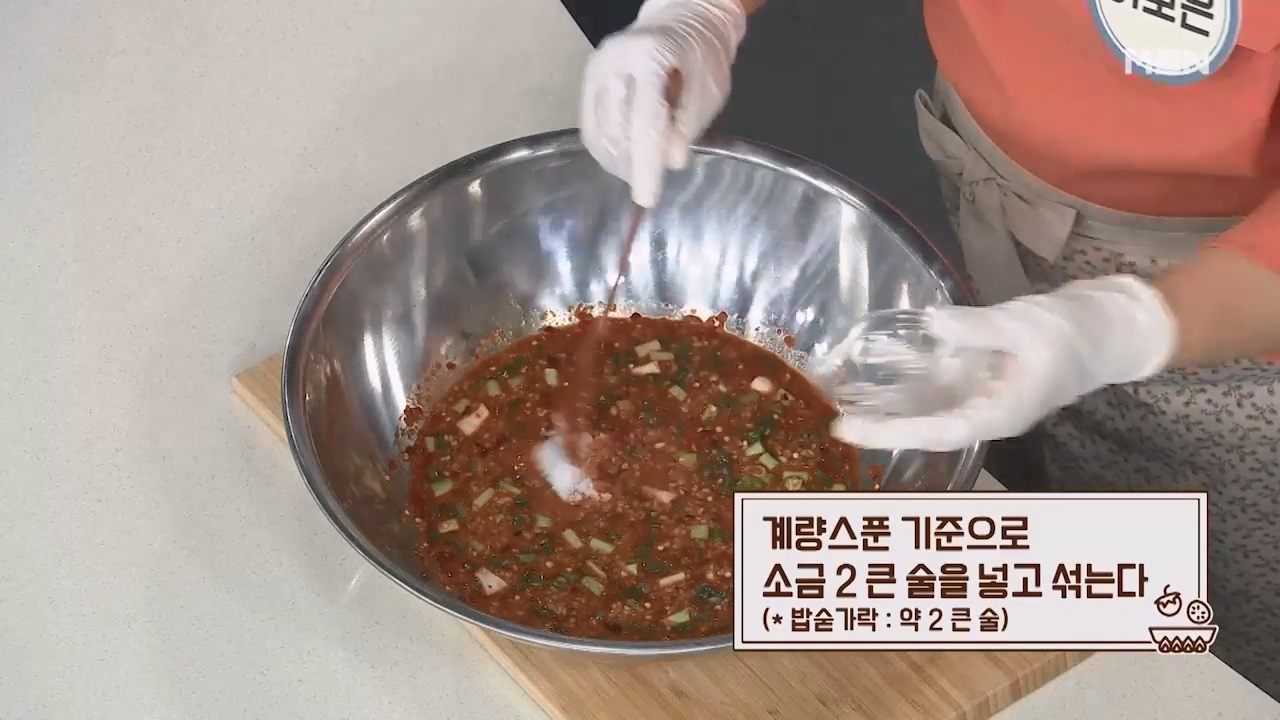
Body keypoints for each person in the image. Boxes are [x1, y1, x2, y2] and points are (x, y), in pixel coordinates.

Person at [577, 0, 1280, 699]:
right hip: (985, 162)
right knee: (1078, 524)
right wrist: (703, 11)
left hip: (1237, 287)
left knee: (1219, 590)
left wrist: (1129, 326)